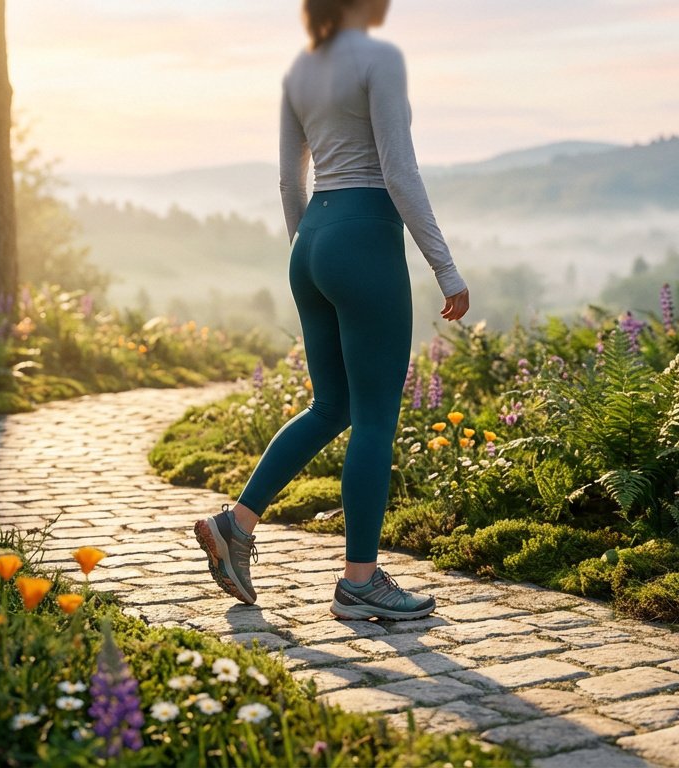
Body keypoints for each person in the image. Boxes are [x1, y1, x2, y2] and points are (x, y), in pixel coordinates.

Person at [194, 0, 469, 621]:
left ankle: (235, 524)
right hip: (364, 235)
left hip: (311, 241)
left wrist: (310, 254)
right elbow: (399, 173)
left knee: (331, 405)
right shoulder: (380, 58)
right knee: (374, 417)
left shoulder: (300, 69)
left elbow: (292, 182)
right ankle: (360, 581)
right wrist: (445, 267)